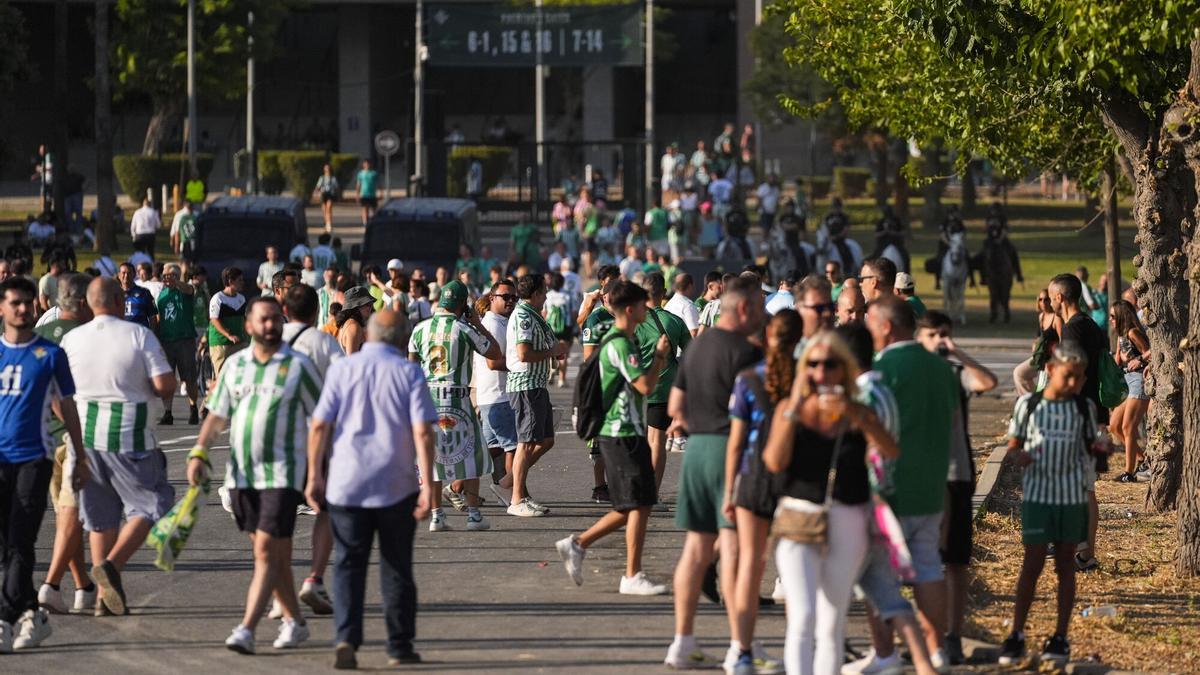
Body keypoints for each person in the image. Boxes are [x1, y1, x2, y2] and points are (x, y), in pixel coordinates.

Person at [763, 330, 900, 675]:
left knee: (831, 621)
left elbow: (891, 450)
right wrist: (795, 407)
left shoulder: (858, 411)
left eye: (830, 364)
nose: (821, 372)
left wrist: (856, 413)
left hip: (848, 518)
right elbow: (774, 462)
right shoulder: (790, 409)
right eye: (813, 364)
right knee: (803, 616)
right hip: (799, 519)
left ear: (844, 368)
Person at [189, 297, 320, 654]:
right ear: (248, 325)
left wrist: (318, 471)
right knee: (272, 555)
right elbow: (217, 415)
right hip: (242, 475)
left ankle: (246, 629)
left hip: (284, 474)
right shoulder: (235, 365)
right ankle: (295, 622)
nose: (271, 325)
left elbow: (322, 420)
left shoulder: (299, 366)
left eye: (276, 318)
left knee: (265, 550)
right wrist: (199, 450)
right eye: (264, 319)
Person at [305, 310, 435, 668]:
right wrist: (427, 484)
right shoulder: (409, 372)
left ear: (368, 334)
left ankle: (346, 638)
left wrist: (314, 476)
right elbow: (423, 432)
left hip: (347, 483)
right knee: (396, 566)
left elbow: (319, 426)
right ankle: (399, 645)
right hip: (396, 484)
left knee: (348, 564)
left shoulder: (343, 370)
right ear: (402, 338)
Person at [663, 276, 765, 668]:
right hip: (732, 451)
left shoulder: (696, 347)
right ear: (744, 308)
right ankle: (741, 646)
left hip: (698, 450)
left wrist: (700, 423)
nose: (762, 316)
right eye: (759, 308)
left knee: (695, 549)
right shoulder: (748, 353)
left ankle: (682, 641)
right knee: (735, 551)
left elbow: (675, 407)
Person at [854, 296, 960, 672]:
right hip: (931, 484)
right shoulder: (942, 368)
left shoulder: (881, 368)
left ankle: (885, 652)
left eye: (870, 322)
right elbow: (952, 421)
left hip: (889, 488)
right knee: (929, 568)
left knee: (878, 574)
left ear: (885, 326)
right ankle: (935, 649)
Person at [61, 277, 177, 618]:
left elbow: (60, 391)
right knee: (152, 504)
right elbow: (165, 385)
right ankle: (112, 565)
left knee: (100, 519)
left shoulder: (72, 339)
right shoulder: (139, 335)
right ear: (118, 301)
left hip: (86, 440)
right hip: (131, 437)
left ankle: (104, 599)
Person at [556, 280, 672, 595]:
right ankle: (629, 573)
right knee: (638, 503)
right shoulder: (620, 343)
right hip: (620, 432)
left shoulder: (622, 339)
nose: (648, 310)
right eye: (644, 305)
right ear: (631, 309)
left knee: (637, 503)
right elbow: (645, 386)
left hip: (625, 431)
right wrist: (659, 356)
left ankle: (580, 545)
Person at [997, 341, 1099, 668]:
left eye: (1080, 377)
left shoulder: (1083, 408)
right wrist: (1019, 455)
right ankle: (1016, 633)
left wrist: (1101, 450)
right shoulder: (1029, 405)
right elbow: (1013, 444)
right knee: (1033, 563)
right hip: (1038, 497)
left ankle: (1060, 636)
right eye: (1068, 375)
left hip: (1071, 498)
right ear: (1052, 370)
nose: (1073, 383)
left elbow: (1090, 449)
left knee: (1066, 564)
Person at [0, 276, 87, 651]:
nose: (22, 308)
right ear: (2, 308)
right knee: (6, 546)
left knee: (21, 539)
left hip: (34, 457)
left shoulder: (50, 354)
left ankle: (4, 619)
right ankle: (33, 614)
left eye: (27, 302)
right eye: (14, 303)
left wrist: (80, 455)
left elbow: (67, 405)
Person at [915, 310, 998, 664]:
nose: (939, 340)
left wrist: (957, 352)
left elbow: (988, 382)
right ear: (919, 337)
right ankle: (925, 636)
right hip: (919, 476)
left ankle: (951, 634)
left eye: (944, 334)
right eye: (932, 334)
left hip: (955, 473)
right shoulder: (911, 369)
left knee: (955, 559)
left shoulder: (955, 371)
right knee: (922, 559)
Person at [722, 310, 803, 675]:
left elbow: (736, 442)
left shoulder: (748, 379)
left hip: (753, 476)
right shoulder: (806, 378)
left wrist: (728, 490)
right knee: (796, 571)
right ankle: (801, 649)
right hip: (794, 480)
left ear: (768, 335)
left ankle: (740, 648)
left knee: (751, 566)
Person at [407, 280, 502, 532]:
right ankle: (473, 515)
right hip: (458, 397)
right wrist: (477, 322)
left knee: (433, 457)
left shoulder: (419, 329)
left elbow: (411, 366)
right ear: (463, 304)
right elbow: (495, 352)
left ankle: (437, 516)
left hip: (429, 398)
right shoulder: (464, 329)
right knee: (471, 454)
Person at [33, 274, 97, 618]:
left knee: (66, 515)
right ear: (84, 301)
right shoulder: (87, 335)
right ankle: (53, 585)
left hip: (42, 435)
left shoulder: (38, 334)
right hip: (76, 433)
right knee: (75, 515)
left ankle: (84, 587)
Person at [281, 284, 344, 616]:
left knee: (280, 516)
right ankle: (315, 578)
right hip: (317, 439)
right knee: (326, 509)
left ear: (284, 310)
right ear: (316, 311)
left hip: (278, 440)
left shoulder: (269, 339)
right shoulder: (325, 342)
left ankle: (280, 587)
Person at [1049, 273, 1108, 571]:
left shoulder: (1073, 330)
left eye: (1051, 296)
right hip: (1094, 414)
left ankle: (1081, 551)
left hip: (1076, 416)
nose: (1050, 301)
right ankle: (1082, 550)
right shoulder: (1091, 325)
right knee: (1084, 486)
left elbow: (1069, 378)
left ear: (1060, 297)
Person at [505, 274, 568, 516]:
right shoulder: (523, 316)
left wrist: (555, 350)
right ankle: (516, 498)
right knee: (526, 442)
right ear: (536, 294)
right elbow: (524, 354)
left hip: (537, 384)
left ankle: (512, 484)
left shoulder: (533, 314)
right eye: (544, 292)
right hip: (526, 384)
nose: (546, 296)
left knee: (546, 439)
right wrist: (551, 351)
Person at [634, 273, 691, 491]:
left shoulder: (633, 321)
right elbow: (691, 353)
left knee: (639, 442)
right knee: (656, 441)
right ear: (664, 293)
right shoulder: (674, 321)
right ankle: (652, 492)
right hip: (663, 388)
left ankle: (638, 487)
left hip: (636, 388)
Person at [473, 281, 520, 499]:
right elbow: (493, 363)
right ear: (492, 298)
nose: (511, 301)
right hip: (498, 395)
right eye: (506, 297)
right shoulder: (493, 324)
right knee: (514, 448)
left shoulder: (497, 321)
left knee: (491, 449)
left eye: (514, 298)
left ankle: (455, 488)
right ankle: (514, 495)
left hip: (490, 395)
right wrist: (521, 363)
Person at [1108, 300, 1151, 482]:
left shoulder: (1133, 332)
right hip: (1127, 382)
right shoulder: (1122, 334)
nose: (1110, 319)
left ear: (1121, 315)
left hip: (1139, 381)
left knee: (1128, 427)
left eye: (1113, 316)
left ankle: (1128, 472)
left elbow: (1151, 351)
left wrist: (1139, 359)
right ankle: (1143, 459)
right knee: (1114, 426)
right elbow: (1118, 360)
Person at [156, 263, 200, 425]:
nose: (166, 279)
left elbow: (189, 290)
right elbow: (159, 318)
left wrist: (176, 282)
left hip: (185, 340)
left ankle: (193, 407)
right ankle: (168, 412)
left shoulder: (185, 290)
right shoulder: (162, 295)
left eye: (170, 275)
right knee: (167, 378)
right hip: (167, 341)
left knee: (189, 378)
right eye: (165, 276)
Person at [208, 266, 249, 380]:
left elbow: (244, 320)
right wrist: (229, 335)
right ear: (230, 281)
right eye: (239, 280)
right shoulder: (217, 298)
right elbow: (214, 320)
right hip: (220, 344)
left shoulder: (242, 299)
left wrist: (247, 337)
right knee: (221, 379)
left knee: (241, 376)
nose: (242, 283)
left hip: (239, 343)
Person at [543, 272, 574, 388]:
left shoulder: (548, 296)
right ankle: (562, 379)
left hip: (551, 327)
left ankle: (552, 368)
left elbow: (544, 313)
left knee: (551, 350)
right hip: (565, 327)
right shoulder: (568, 295)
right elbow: (573, 312)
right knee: (563, 353)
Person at [117, 262, 157, 330]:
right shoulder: (114, 294)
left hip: (140, 334)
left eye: (129, 273)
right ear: (119, 275)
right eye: (123, 273)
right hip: (121, 334)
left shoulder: (145, 293)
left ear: (134, 275)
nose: (126, 276)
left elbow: (153, 317)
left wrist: (152, 333)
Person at [336, 287, 375, 355]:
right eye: (367, 304)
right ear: (355, 307)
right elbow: (352, 358)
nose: (370, 307)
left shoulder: (349, 323)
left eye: (371, 304)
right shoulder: (353, 326)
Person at [314, 163, 340, 232]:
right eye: (326, 168)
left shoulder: (333, 178)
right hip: (323, 194)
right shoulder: (322, 177)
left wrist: (338, 194)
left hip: (330, 194)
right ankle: (326, 223)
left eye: (328, 168)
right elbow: (318, 186)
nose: (327, 169)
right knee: (324, 210)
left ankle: (329, 223)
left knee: (329, 208)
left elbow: (336, 187)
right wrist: (316, 192)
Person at [354, 160, 379, 225]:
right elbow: (358, 184)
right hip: (364, 194)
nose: (366, 165)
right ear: (363, 165)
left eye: (368, 164)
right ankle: (365, 223)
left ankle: (374, 222)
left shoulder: (374, 173)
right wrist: (357, 194)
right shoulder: (360, 174)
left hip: (372, 194)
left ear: (370, 164)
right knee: (365, 209)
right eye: (365, 164)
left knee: (374, 210)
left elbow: (378, 184)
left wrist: (380, 192)